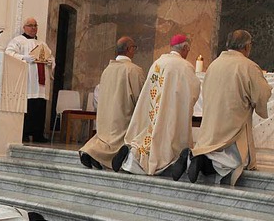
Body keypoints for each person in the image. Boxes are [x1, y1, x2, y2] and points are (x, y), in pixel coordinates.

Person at [172, 30, 272, 185]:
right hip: (233, 126)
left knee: (211, 148)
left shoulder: (214, 64)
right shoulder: (249, 66)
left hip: (212, 123)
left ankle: (194, 155)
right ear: (246, 47)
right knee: (233, 162)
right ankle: (204, 163)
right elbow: (261, 95)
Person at [112, 34, 201, 176]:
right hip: (171, 112)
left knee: (146, 138)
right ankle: (170, 163)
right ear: (184, 48)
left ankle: (133, 154)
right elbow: (193, 91)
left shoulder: (158, 62)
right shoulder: (185, 66)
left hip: (153, 111)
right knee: (168, 141)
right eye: (188, 50)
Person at [79, 37, 145, 169]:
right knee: (117, 141)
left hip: (106, 115)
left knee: (104, 139)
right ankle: (105, 157)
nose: (135, 51)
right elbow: (140, 97)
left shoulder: (107, 69)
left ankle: (91, 152)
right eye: (134, 48)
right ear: (129, 49)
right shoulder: (134, 70)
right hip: (122, 115)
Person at [5, 17, 55, 143]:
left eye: (35, 25)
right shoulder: (18, 41)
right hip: (28, 80)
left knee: (40, 106)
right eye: (30, 25)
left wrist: (50, 62)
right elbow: (9, 53)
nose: (33, 28)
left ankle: (38, 134)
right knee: (28, 106)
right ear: (24, 27)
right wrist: (24, 58)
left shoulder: (42, 44)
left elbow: (51, 57)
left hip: (41, 82)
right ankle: (24, 133)